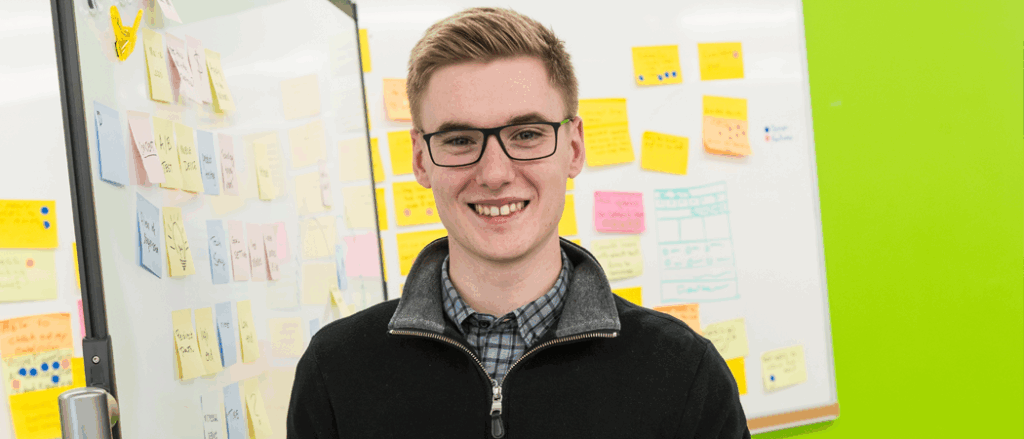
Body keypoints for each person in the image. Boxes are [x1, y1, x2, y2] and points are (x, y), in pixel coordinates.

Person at [288, 7, 750, 438]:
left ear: (574, 147)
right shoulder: (335, 370)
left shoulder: (684, 372)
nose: (494, 174)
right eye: (460, 139)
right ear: (420, 159)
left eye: (526, 134)